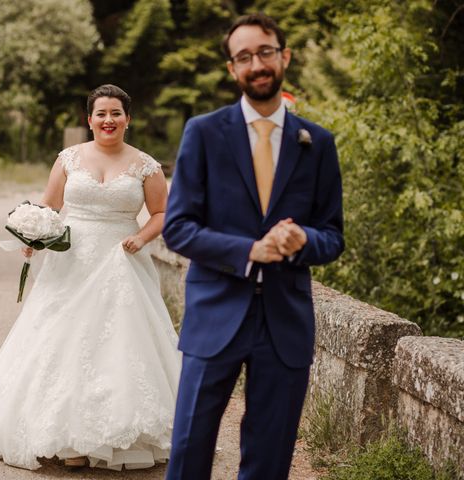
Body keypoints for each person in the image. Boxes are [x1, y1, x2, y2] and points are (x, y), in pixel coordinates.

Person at [0, 84, 181, 471]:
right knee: (61, 341)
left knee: (116, 344)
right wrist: (35, 234)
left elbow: (161, 214)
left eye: (116, 113)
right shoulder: (69, 159)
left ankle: (111, 435)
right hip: (71, 262)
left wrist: (141, 237)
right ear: (89, 119)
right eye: (101, 114)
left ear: (128, 119)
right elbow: (51, 204)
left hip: (120, 263)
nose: (108, 120)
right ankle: (65, 438)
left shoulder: (146, 165)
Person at [162, 13, 344, 480]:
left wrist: (304, 240)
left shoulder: (317, 143)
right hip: (214, 315)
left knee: (270, 457)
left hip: (285, 323)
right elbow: (178, 228)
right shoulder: (202, 133)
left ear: (284, 57)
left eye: (265, 52)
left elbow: (333, 235)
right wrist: (249, 251)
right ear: (232, 69)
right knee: (188, 449)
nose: (256, 64)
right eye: (244, 57)